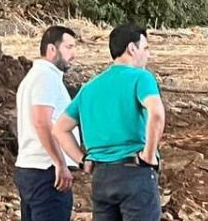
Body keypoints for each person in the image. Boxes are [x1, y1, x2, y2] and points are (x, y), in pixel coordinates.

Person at [53, 24, 165, 221]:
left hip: (101, 177)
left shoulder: (89, 88)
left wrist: (81, 160)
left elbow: (60, 129)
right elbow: (156, 114)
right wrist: (149, 155)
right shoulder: (141, 77)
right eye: (145, 48)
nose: (148, 55)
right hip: (135, 172)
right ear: (132, 48)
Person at [15, 25, 79, 221]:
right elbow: (42, 121)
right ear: (52, 49)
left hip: (31, 169)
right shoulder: (46, 77)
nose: (73, 54)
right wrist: (60, 163)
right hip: (47, 172)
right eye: (69, 47)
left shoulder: (33, 77)